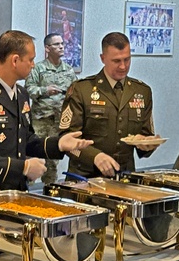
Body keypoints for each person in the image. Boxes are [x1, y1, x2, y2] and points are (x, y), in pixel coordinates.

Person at [0, 31, 91, 190]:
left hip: (17, 189)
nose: (33, 64)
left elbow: (27, 140)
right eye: (31, 59)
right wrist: (24, 167)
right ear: (15, 60)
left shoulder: (21, 94)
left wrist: (59, 144)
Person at [58, 32, 157, 178]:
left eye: (127, 59)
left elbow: (144, 141)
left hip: (124, 177)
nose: (123, 66)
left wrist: (148, 145)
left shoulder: (142, 92)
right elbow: (67, 142)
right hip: (85, 177)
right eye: (116, 61)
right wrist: (95, 157)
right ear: (103, 59)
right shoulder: (82, 90)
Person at [24, 32, 78, 183]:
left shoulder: (68, 70)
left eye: (62, 44)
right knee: (34, 157)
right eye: (57, 44)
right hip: (40, 120)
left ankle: (50, 191)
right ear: (47, 48)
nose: (61, 47)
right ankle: (26, 191)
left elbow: (76, 92)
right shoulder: (38, 69)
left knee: (53, 160)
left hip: (58, 121)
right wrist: (44, 90)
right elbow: (29, 89)